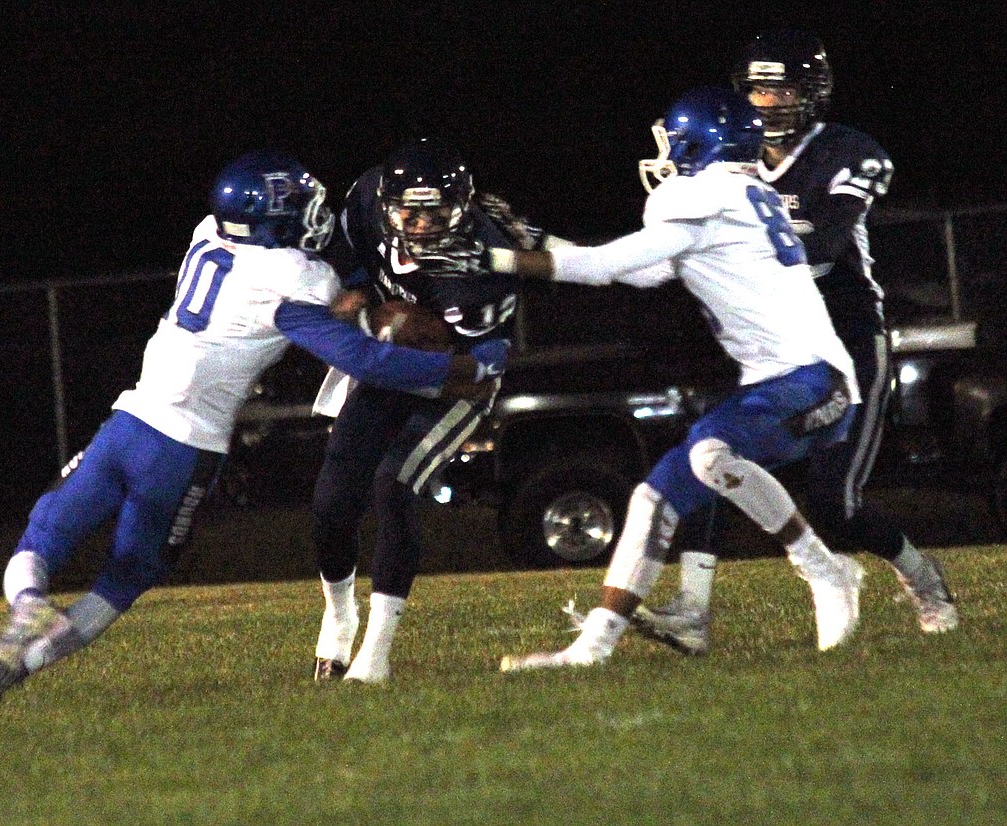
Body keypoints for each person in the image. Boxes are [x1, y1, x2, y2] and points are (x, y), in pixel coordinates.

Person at [0, 150, 504, 702]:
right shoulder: (294, 277)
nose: (316, 215)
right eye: (303, 207)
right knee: (128, 574)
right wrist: (460, 367)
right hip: (185, 450)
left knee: (44, 533)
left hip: (129, 421)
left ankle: (20, 620)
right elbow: (366, 361)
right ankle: (22, 665)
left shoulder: (207, 235)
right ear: (275, 221)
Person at [488, 86, 866, 671]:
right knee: (651, 498)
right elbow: (636, 273)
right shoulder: (737, 196)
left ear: (700, 141)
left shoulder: (706, 196)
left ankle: (825, 569)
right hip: (780, 382)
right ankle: (591, 650)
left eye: (671, 139)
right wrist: (539, 241)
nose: (664, 152)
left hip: (812, 380)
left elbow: (603, 267)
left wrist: (498, 260)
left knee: (710, 454)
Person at [631, 29, 957, 657]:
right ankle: (693, 608)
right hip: (774, 343)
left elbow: (829, 243)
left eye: (780, 89)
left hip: (846, 337)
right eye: (756, 88)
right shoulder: (731, 159)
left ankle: (921, 577)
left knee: (833, 504)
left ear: (811, 93)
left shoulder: (848, 152)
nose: (766, 103)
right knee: (710, 455)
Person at [310, 137, 567, 684]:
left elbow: (484, 360)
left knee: (394, 483)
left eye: (435, 214)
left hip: (459, 379)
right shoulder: (367, 199)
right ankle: (339, 613)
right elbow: (348, 252)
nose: (421, 226)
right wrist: (362, 295)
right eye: (409, 212)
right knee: (333, 501)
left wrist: (425, 345)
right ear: (387, 203)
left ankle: (374, 657)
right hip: (387, 365)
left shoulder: (478, 262)